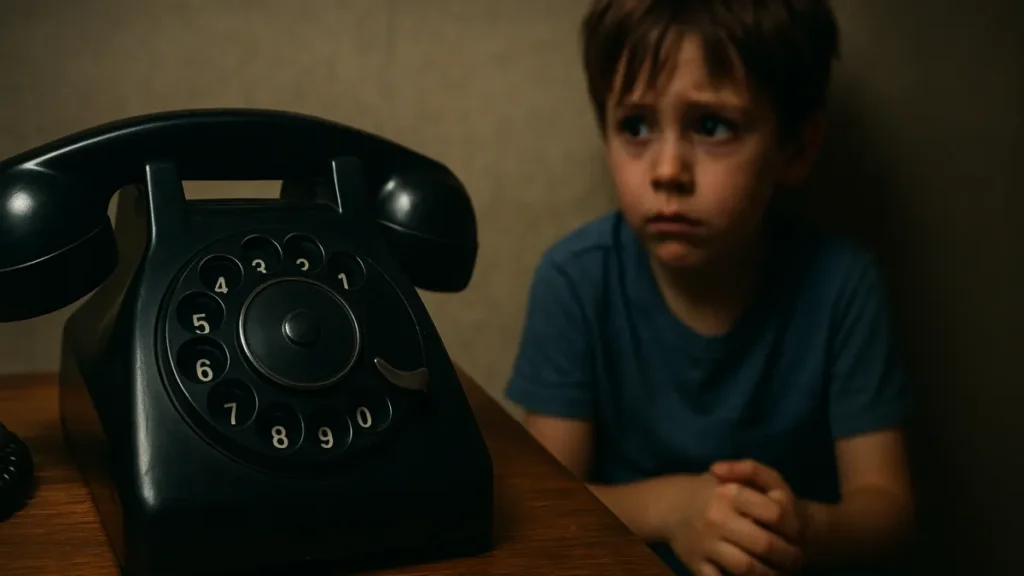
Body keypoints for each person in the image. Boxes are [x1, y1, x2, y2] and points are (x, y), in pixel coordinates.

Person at [504, 1, 915, 575]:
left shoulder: (841, 287)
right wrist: (673, 508)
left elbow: (887, 508)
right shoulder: (575, 281)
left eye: (712, 126)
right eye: (636, 127)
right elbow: (548, 499)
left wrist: (804, 528)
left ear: (795, 149)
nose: (667, 170)